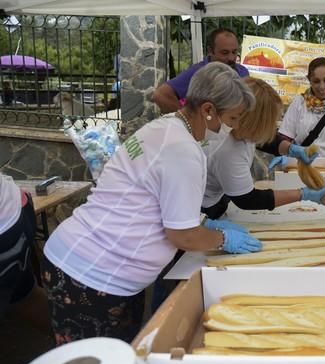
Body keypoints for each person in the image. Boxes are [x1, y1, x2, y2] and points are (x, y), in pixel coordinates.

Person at [42, 62, 262, 345]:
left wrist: (203, 222)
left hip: (96, 265)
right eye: (233, 118)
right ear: (208, 110)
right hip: (92, 272)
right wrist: (222, 238)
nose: (235, 127)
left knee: (121, 355)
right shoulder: (182, 149)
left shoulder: (165, 127)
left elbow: (153, 196)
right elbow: (182, 235)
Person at [202, 77, 325, 219]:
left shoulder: (238, 127)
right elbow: (248, 199)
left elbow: (265, 139)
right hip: (204, 208)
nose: (273, 126)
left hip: (218, 196)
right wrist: (303, 194)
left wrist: (291, 149)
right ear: (254, 122)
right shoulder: (228, 151)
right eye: (270, 122)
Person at [153, 28, 249, 114]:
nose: (231, 58)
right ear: (210, 51)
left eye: (234, 52)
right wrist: (186, 121)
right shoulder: (199, 71)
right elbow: (161, 95)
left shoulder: (242, 72)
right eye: (225, 53)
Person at [0, 174, 50, 335]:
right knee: (26, 295)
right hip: (14, 207)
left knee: (26, 295)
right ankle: (78, 344)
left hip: (7, 227)